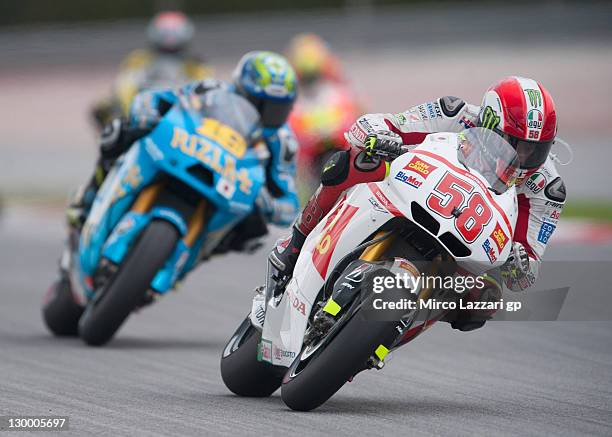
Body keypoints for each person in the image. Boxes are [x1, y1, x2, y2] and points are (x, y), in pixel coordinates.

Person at [269, 76, 566, 331]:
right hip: (412, 195)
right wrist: (378, 136)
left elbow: (525, 275)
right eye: (516, 145)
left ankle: (391, 329)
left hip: (465, 248)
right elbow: (376, 124)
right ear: (488, 123)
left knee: (488, 297)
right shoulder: (455, 114)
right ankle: (295, 244)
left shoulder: (547, 188)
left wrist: (518, 263)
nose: (524, 158)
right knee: (352, 162)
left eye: (535, 150)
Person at [69, 51, 300, 248]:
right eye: (260, 104)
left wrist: (270, 205)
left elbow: (290, 205)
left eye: (277, 109)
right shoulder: (212, 91)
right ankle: (90, 196)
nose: (266, 115)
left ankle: (192, 252)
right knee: (120, 132)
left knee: (253, 233)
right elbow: (158, 99)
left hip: (230, 191)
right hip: (185, 155)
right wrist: (147, 113)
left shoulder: (282, 142)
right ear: (241, 91)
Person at [91, 11, 212, 129]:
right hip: (142, 116)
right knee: (102, 109)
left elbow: (206, 92)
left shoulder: (195, 64)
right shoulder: (139, 59)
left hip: (182, 117)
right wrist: (130, 113)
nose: (169, 39)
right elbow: (125, 86)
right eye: (165, 33)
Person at [285, 33, 361, 196]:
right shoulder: (293, 99)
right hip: (311, 157)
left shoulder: (339, 91)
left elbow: (357, 114)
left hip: (340, 147)